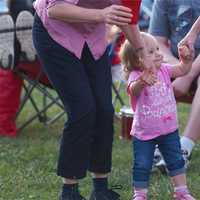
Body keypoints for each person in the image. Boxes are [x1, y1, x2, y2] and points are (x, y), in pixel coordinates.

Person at [32, 1, 154, 200]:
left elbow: (127, 19)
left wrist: (143, 54)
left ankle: (100, 189)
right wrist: (101, 15)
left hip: (92, 38)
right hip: (55, 34)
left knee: (105, 110)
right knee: (82, 109)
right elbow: (55, 9)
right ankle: (69, 192)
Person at [119, 32, 195, 200]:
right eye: (151, 52)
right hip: (144, 133)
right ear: (139, 59)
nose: (159, 54)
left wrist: (187, 61)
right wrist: (142, 82)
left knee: (176, 160)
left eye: (158, 49)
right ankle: (140, 194)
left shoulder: (164, 70)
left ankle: (182, 191)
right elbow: (133, 90)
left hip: (169, 129)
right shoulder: (136, 76)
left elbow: (182, 70)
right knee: (142, 164)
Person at [149, 0, 200, 168]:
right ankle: (159, 143)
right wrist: (177, 68)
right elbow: (157, 42)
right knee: (151, 75)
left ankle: (184, 148)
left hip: (193, 67)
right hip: (176, 61)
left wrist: (187, 73)